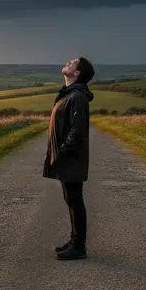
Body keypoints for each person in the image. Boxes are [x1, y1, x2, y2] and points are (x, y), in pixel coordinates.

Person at [43, 56, 95, 260]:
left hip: (71, 158)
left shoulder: (77, 97)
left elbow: (77, 130)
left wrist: (63, 151)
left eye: (73, 62)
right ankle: (75, 240)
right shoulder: (70, 94)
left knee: (75, 200)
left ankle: (79, 246)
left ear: (77, 74)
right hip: (68, 158)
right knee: (70, 199)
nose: (68, 62)